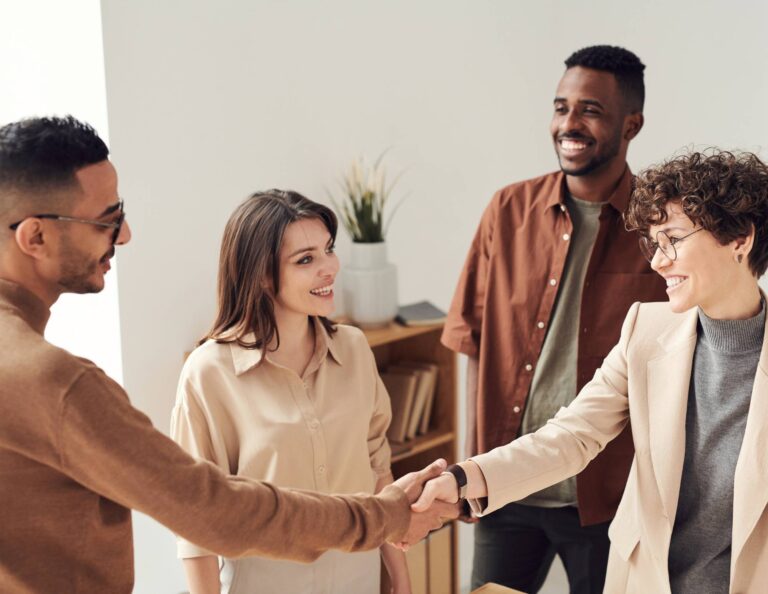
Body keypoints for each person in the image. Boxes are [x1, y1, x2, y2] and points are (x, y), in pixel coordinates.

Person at [0, 115, 456, 594]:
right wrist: (386, 515)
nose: (126, 234)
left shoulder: (353, 348)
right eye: (107, 220)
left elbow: (371, 459)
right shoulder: (55, 382)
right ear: (34, 237)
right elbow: (210, 512)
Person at [416, 149, 768, 593]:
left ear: (740, 239)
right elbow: (571, 436)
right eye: (654, 243)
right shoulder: (645, 329)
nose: (658, 262)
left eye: (673, 239)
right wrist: (464, 479)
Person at [441, 44, 667, 593]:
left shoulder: (660, 226)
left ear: (630, 125)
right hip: (506, 487)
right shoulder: (507, 211)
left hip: (607, 497)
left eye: (590, 110)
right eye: (561, 106)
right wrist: (472, 468)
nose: (569, 123)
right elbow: (470, 343)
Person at [172, 190, 411, 594]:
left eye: (328, 250)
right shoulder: (210, 372)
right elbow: (196, 521)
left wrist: (401, 580)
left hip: (360, 583)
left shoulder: (353, 349)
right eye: (306, 260)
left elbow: (378, 472)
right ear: (262, 276)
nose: (329, 268)